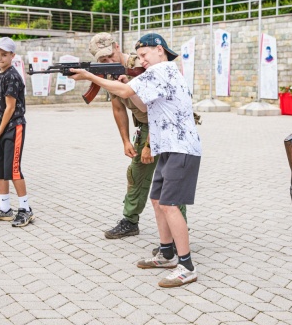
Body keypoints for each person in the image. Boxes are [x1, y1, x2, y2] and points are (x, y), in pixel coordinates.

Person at [71, 33, 202, 288]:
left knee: (170, 204)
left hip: (180, 147)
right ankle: (166, 253)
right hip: (168, 147)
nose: (142, 60)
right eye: (139, 56)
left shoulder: (162, 69)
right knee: (157, 200)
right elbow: (142, 106)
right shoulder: (159, 71)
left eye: (144, 55)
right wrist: (128, 85)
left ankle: (186, 266)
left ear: (160, 50)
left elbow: (124, 91)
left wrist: (89, 76)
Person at [88, 32, 187, 240]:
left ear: (117, 46)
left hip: (164, 127)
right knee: (136, 174)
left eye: (110, 56)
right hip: (144, 127)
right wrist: (125, 140)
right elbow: (118, 108)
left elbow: (157, 109)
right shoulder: (110, 74)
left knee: (169, 179)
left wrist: (149, 145)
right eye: (103, 60)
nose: (108, 62)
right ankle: (130, 221)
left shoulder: (144, 65)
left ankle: (179, 228)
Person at [0, 37, 35, 227]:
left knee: (13, 169)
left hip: (13, 127)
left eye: (4, 54)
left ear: (12, 56)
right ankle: (4, 208)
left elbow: (10, 108)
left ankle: (25, 209)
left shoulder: (12, 75)